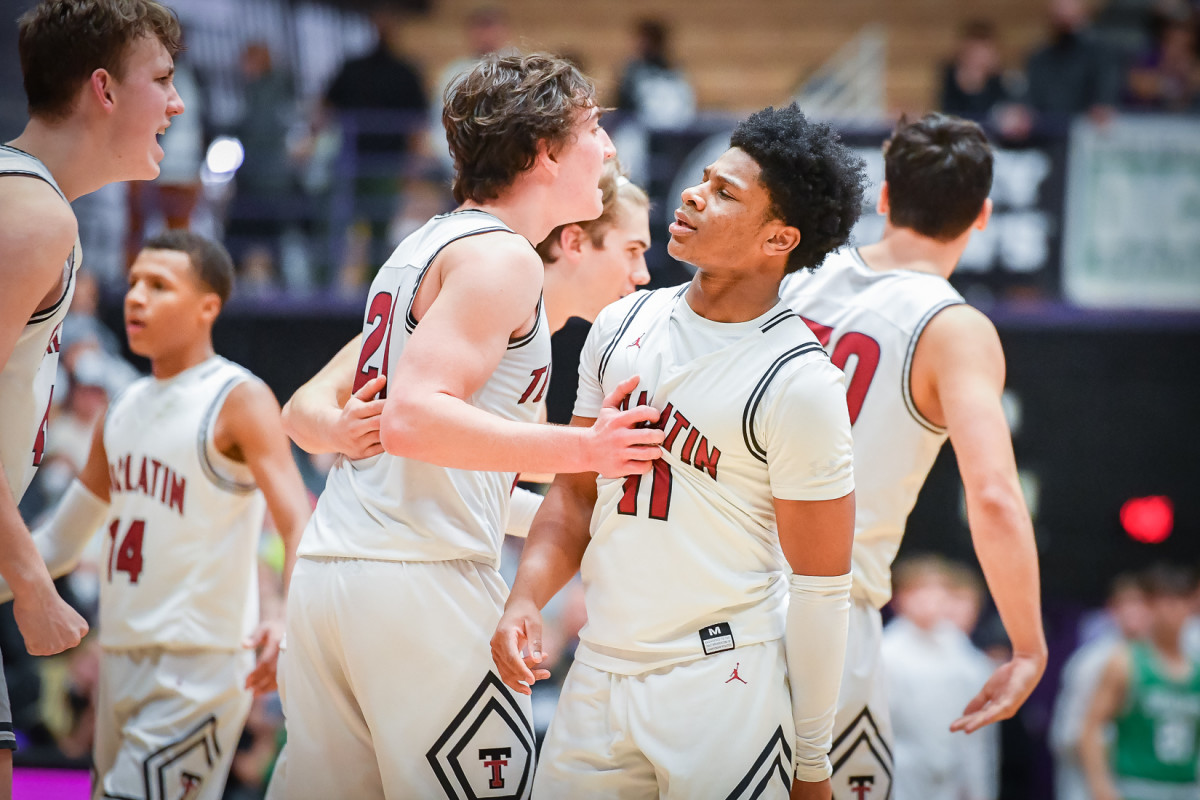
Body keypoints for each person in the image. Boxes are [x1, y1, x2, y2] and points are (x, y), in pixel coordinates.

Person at [275, 53, 664, 800]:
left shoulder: (424, 243)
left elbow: (410, 432)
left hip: (336, 575)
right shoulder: (504, 257)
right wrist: (589, 447)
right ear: (545, 151)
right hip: (420, 578)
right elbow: (416, 420)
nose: (608, 148)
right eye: (593, 130)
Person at [492, 103, 867, 799]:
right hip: (599, 670)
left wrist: (812, 760)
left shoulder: (801, 382)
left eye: (726, 194)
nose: (694, 195)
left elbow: (821, 590)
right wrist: (525, 599)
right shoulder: (621, 321)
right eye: (703, 180)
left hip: (721, 681)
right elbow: (575, 495)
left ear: (778, 238)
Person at [777, 112, 1047, 800]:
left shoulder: (797, 271)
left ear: (886, 198)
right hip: (826, 616)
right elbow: (992, 495)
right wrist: (1026, 645)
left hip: (717, 588)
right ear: (983, 215)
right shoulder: (954, 328)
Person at [0, 231, 311, 799]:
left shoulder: (237, 397)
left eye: (160, 286)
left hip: (201, 661)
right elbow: (58, 544)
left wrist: (286, 617)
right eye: (135, 281)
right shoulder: (123, 408)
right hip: (119, 660)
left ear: (207, 307)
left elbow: (296, 520)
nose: (136, 296)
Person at [0, 0, 183, 779]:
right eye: (164, 80)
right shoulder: (31, 215)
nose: (176, 104)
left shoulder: (32, 203)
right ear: (104, 89)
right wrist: (33, 581)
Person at [1080, 566, 1200, 800]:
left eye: (1179, 602)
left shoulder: (1196, 669)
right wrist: (1100, 787)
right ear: (1151, 607)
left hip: (1186, 787)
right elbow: (1091, 727)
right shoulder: (1125, 663)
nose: (1172, 611)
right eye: (1165, 602)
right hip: (1135, 786)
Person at [882, 557, 997, 800]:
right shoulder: (886, 651)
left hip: (950, 776)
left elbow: (977, 735)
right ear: (899, 598)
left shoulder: (960, 650)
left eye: (938, 591)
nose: (929, 600)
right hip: (902, 776)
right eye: (919, 591)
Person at [1050, 572, 1151, 800]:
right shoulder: (1090, 660)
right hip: (1088, 779)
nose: (1136, 612)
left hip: (1140, 780)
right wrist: (1100, 778)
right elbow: (1066, 733)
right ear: (1112, 610)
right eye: (1127, 604)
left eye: (1143, 604)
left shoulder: (1163, 662)